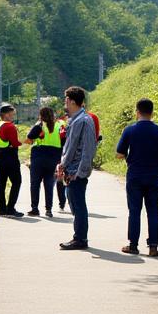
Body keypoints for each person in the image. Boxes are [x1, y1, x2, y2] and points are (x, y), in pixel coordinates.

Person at [116, 98, 158, 256]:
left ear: (137, 112)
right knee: (153, 210)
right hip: (154, 176)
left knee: (134, 210)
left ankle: (133, 245)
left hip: (134, 175)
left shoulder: (129, 130)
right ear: (152, 112)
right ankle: (153, 246)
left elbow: (119, 154)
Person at [55, 86, 97, 250]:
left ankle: (80, 238)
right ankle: (79, 237)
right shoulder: (75, 120)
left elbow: (88, 149)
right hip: (70, 170)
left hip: (76, 172)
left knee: (78, 206)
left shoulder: (84, 121)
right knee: (74, 204)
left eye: (66, 100)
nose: (64, 103)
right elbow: (71, 146)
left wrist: (80, 172)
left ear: (72, 101)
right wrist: (62, 164)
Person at [55, 107, 102, 214]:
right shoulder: (87, 118)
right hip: (69, 159)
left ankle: (63, 203)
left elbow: (73, 144)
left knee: (77, 201)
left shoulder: (83, 119)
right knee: (75, 199)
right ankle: (66, 202)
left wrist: (79, 169)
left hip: (72, 161)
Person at [26, 107, 63, 216]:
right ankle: (48, 209)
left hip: (38, 157)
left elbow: (29, 137)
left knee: (35, 184)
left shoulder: (40, 126)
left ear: (41, 115)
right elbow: (64, 141)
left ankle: (35, 208)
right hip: (53, 159)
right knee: (49, 183)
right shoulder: (59, 126)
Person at [0, 104, 24, 217]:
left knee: (1, 183)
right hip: (10, 157)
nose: (13, 116)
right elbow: (15, 143)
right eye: (12, 114)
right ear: (5, 114)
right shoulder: (10, 126)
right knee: (16, 182)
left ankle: (2, 210)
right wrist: (21, 142)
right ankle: (10, 208)